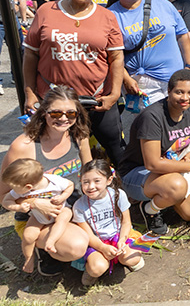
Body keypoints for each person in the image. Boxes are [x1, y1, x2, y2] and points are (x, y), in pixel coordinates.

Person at [23, 0, 126, 168]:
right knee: (58, 153)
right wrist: (30, 93)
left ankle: (128, 194)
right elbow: (31, 55)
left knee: (116, 148)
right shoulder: (46, 10)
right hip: (54, 102)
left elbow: (116, 58)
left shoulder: (107, 17)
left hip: (97, 101)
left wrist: (114, 94)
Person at [0, 85, 92, 276]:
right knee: (76, 246)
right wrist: (34, 202)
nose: (64, 118)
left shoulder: (79, 135)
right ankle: (42, 250)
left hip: (73, 208)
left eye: (71, 113)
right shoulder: (24, 146)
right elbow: (2, 195)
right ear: (43, 113)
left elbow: (89, 174)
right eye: (56, 113)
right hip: (37, 218)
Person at [119, 70, 190, 235]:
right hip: (138, 173)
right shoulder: (152, 117)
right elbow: (152, 163)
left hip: (173, 167)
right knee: (176, 186)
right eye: (179, 92)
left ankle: (164, 200)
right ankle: (149, 209)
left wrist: (187, 158)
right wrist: (185, 166)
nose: (184, 98)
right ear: (168, 91)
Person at [108, 0, 190, 106]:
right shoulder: (110, 16)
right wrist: (127, 79)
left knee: (179, 123)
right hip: (143, 83)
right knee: (152, 124)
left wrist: (189, 68)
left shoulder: (162, 3)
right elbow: (112, 56)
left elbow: (183, 37)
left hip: (176, 79)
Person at [72, 160, 144, 286]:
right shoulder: (79, 206)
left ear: (109, 180)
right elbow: (88, 235)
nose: (91, 186)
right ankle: (92, 269)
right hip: (96, 243)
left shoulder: (118, 195)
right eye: (85, 182)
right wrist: (103, 248)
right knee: (97, 268)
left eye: (97, 181)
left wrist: (122, 239)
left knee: (134, 258)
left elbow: (126, 222)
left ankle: (123, 258)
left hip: (119, 236)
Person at [1, 159, 74, 273]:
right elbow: (6, 201)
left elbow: (70, 185)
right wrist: (18, 208)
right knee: (28, 236)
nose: (12, 190)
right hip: (38, 216)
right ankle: (29, 259)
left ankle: (51, 241)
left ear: (28, 187)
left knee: (64, 217)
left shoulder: (54, 181)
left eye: (13, 188)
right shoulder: (20, 188)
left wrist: (62, 197)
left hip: (60, 210)